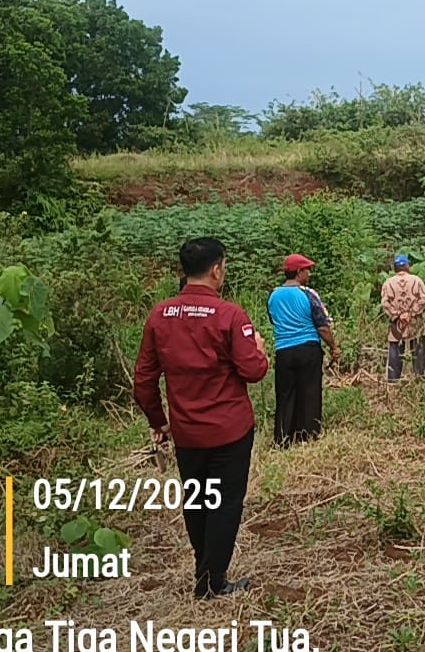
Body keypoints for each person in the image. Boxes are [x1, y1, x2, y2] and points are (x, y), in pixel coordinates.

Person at [133, 238, 269, 598]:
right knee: (225, 503)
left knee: (196, 500)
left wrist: (158, 421)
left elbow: (144, 381)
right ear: (216, 269)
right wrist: (259, 350)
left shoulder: (160, 315)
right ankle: (213, 581)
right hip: (230, 430)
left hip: (187, 432)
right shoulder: (230, 315)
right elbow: (253, 371)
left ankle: (202, 571)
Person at [267, 254, 340, 447]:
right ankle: (308, 435)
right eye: (307, 270)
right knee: (309, 392)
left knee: (285, 394)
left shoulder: (273, 296)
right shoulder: (308, 294)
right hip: (307, 349)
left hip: (283, 351)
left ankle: (283, 437)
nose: (309, 273)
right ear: (299, 272)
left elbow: (274, 320)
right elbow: (322, 326)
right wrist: (333, 347)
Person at [380, 254, 425, 382]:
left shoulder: (388, 282)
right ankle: (419, 377)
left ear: (395, 268)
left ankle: (393, 379)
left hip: (397, 322)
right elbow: (423, 300)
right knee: (418, 347)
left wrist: (398, 314)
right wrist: (411, 313)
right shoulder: (416, 280)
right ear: (407, 266)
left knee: (395, 346)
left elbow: (385, 303)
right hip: (414, 320)